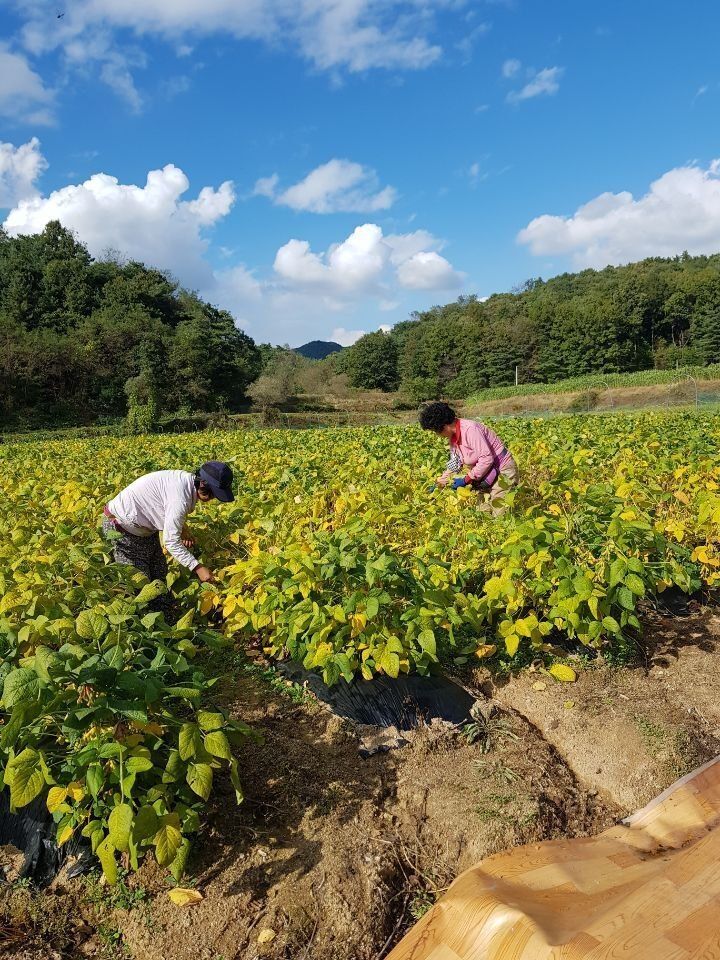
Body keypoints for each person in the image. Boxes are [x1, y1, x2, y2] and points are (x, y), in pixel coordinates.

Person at [102, 461, 234, 602]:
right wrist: (198, 567)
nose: (213, 498)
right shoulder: (180, 498)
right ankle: (141, 620)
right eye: (213, 493)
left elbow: (164, 505)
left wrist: (182, 529)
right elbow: (171, 542)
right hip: (122, 530)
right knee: (139, 590)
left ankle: (166, 616)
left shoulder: (186, 481)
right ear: (202, 485)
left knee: (159, 579)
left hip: (143, 530)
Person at [420, 402, 518, 516]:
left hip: (502, 470)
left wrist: (467, 479)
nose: (437, 434)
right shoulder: (453, 437)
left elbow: (486, 458)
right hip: (485, 473)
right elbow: (456, 463)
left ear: (443, 426)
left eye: (435, 431)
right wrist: (441, 482)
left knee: (500, 513)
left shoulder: (470, 429)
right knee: (482, 512)